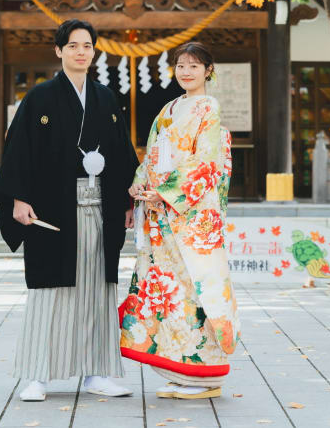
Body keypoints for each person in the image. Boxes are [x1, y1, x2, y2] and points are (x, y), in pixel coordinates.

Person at [0, 19, 139, 402]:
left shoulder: (106, 98)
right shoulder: (39, 98)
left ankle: (97, 373)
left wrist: (127, 202)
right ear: (59, 51)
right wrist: (18, 198)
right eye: (72, 45)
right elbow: (18, 150)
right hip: (53, 208)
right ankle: (37, 375)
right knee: (51, 291)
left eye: (87, 45)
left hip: (100, 206)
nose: (80, 52)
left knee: (97, 290)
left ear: (94, 51)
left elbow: (122, 153)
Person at [119, 41, 240, 400]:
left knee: (195, 290)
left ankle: (206, 375)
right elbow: (152, 154)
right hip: (163, 216)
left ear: (208, 70)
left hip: (190, 217)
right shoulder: (168, 109)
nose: (186, 72)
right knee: (170, 293)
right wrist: (140, 182)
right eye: (181, 66)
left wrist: (167, 192)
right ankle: (182, 370)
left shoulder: (208, 107)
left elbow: (206, 161)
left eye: (194, 66)